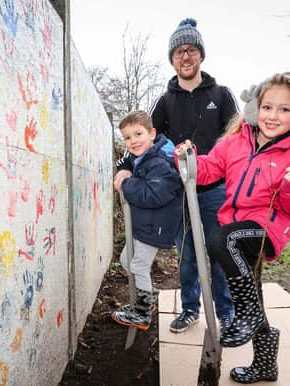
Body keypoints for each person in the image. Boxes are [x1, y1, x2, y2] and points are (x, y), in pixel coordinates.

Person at [176, 72, 290, 383]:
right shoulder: (235, 142)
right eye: (267, 107)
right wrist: (188, 159)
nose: (273, 116)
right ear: (255, 107)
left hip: (265, 231)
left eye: (284, 110)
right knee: (252, 293)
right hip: (236, 228)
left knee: (221, 239)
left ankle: (246, 315)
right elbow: (208, 171)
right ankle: (265, 364)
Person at [114, 18, 238, 334]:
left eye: (192, 50)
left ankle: (226, 312)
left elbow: (238, 141)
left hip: (215, 190)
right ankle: (190, 310)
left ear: (201, 55)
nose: (186, 56)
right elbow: (143, 138)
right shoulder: (165, 101)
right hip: (179, 192)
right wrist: (124, 167)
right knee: (187, 256)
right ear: (172, 58)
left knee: (219, 250)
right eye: (179, 51)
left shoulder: (221, 95)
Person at [111, 111, 183, 330]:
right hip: (146, 222)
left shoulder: (161, 161)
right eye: (127, 137)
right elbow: (127, 163)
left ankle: (141, 313)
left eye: (138, 134)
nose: (133, 141)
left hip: (156, 225)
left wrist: (126, 184)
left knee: (138, 265)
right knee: (126, 260)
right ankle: (149, 297)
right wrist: (124, 171)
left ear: (152, 133)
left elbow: (153, 194)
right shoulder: (144, 155)